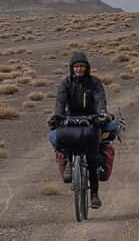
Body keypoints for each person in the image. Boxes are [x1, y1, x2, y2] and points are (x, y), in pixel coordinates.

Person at [46, 51, 118, 204]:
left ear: (87, 68)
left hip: (91, 119)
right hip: (71, 119)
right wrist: (58, 115)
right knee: (61, 136)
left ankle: (94, 195)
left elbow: (100, 99)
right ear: (72, 68)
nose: (79, 69)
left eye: (82, 66)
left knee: (92, 159)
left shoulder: (95, 82)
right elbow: (60, 101)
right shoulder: (66, 83)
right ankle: (68, 160)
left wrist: (102, 114)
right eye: (76, 66)